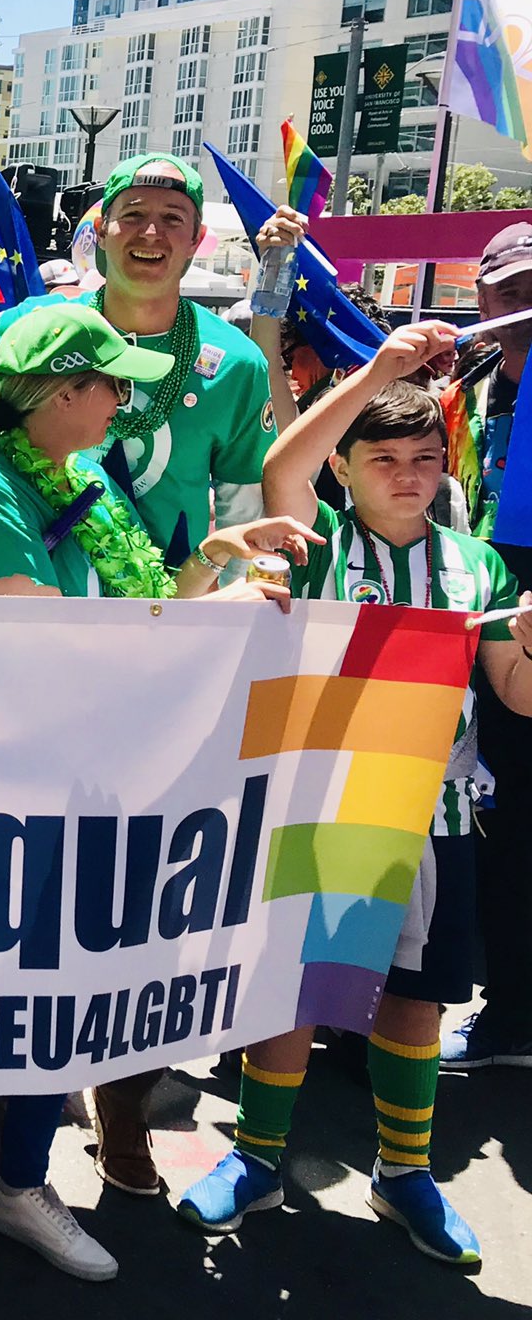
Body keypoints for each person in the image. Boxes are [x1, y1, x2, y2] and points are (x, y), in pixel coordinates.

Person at [0, 302, 308, 1315]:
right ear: (55, 393)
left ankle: (19, 1184)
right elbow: (65, 643)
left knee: (66, 998)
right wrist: (213, 611)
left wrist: (213, 554)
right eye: (108, 381)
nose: (124, 397)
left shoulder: (90, 481)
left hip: (91, 784)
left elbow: (141, 599)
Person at [177, 318, 532, 1266]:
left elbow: (515, 694)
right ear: (350, 468)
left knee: (417, 1002)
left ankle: (405, 1174)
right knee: (298, 987)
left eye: (424, 457)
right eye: (383, 457)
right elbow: (286, 467)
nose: (408, 475)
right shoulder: (317, 542)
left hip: (438, 812)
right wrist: (376, 368)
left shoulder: (477, 564)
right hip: (326, 803)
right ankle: (256, 1158)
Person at [439, 223, 532, 1070]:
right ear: (481, 299)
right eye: (508, 292)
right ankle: (509, 1013)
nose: (522, 308)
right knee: (495, 827)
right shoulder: (466, 390)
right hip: (475, 621)